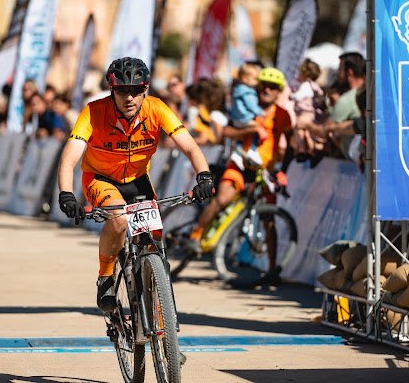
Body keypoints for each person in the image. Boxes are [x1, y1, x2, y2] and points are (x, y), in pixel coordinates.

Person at [57, 57, 214, 312]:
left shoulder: (157, 108)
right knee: (119, 219)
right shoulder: (94, 112)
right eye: (122, 90)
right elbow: (69, 158)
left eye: (136, 90)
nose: (129, 97)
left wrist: (204, 176)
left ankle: (159, 312)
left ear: (145, 89)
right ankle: (106, 277)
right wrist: (66, 194)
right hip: (100, 178)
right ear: (112, 89)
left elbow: (190, 147)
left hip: (138, 180)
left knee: (154, 242)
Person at [188, 67, 292, 284]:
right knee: (222, 199)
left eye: (273, 87)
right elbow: (225, 132)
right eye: (263, 85)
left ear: (279, 91)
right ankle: (196, 235)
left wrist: (283, 169)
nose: (267, 90)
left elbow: (290, 144)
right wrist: (249, 130)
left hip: (265, 171)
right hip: (240, 164)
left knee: (268, 220)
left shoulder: (283, 115)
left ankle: (272, 270)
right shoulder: (245, 105)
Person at [291, 59, 324, 158]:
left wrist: (291, 96)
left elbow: (299, 96)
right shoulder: (315, 86)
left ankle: (302, 148)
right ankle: (310, 148)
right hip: (310, 113)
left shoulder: (306, 85)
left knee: (300, 130)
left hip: (304, 113)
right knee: (308, 133)